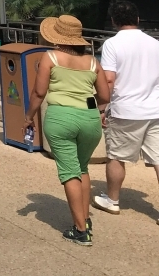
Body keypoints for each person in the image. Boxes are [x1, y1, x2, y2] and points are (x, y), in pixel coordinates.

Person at [25, 15, 111, 246]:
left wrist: (29, 116)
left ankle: (80, 230)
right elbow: (104, 96)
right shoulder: (93, 62)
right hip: (90, 120)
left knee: (69, 172)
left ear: (57, 37)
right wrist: (91, 108)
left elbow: (39, 92)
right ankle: (85, 218)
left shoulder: (50, 56)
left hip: (60, 118)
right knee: (82, 167)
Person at [93, 0, 159, 219]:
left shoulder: (112, 44)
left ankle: (112, 200)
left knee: (116, 156)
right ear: (138, 19)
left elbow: (109, 79)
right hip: (154, 109)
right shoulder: (154, 43)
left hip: (125, 110)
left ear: (113, 21)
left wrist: (102, 108)